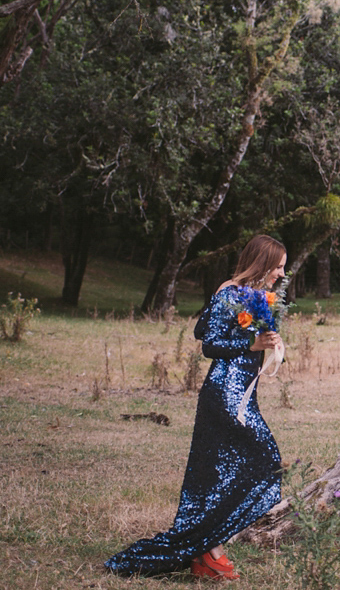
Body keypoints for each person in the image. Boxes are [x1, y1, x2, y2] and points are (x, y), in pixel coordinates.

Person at [105, 235, 287, 579]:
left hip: (242, 393)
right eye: (277, 266)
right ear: (262, 263)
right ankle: (207, 548)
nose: (281, 273)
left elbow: (205, 326)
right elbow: (208, 343)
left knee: (217, 475)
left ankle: (207, 551)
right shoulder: (230, 293)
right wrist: (251, 341)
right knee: (264, 460)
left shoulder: (254, 296)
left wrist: (268, 338)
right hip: (224, 394)